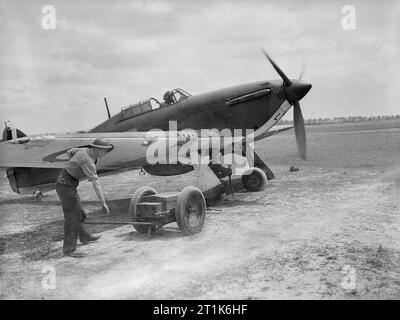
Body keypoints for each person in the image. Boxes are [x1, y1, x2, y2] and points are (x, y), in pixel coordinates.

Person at [55, 138, 114, 257]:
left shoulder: (84, 150)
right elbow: (96, 184)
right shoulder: (88, 161)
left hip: (68, 183)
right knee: (72, 217)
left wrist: (72, 164)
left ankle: (85, 237)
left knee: (80, 213)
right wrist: (103, 204)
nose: (106, 153)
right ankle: (69, 250)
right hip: (65, 185)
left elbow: (70, 152)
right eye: (105, 150)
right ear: (97, 149)